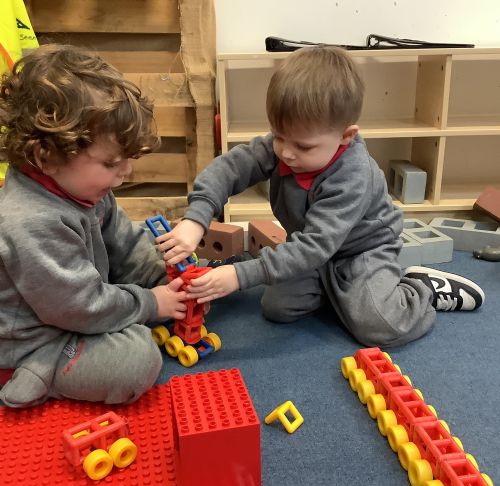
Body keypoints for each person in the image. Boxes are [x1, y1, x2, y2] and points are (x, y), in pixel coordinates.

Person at [156, 46, 485, 348]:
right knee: (278, 308)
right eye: (279, 136)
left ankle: (422, 289)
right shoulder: (287, 145)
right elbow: (228, 169)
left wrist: (240, 276)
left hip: (362, 250)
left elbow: (315, 247)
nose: (286, 152)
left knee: (380, 327)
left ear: (345, 136)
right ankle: (343, 293)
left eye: (303, 146)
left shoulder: (353, 174)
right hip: (312, 247)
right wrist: (196, 219)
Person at [0, 44, 189, 408]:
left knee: (150, 272)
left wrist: (167, 279)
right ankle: (37, 370)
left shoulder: (87, 189)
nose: (125, 172)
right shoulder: (29, 222)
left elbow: (125, 244)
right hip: (36, 338)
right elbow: (80, 307)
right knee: (136, 360)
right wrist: (151, 303)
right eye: (111, 163)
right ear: (46, 156)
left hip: (76, 304)